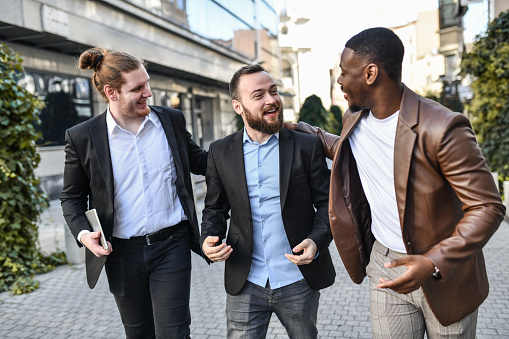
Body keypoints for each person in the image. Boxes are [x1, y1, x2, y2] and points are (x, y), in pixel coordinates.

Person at [287, 27, 506, 338]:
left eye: (344, 72)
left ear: (370, 73)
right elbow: (346, 150)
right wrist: (295, 128)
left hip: (445, 271)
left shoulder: (443, 127)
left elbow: (487, 207)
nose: (339, 81)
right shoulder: (355, 118)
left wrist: (433, 262)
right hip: (384, 261)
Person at [60, 47, 207, 338]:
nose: (148, 93)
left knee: (175, 332)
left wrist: (246, 142)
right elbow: (71, 197)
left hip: (172, 245)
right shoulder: (82, 137)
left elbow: (200, 161)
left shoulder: (170, 120)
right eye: (138, 88)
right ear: (111, 92)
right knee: (138, 333)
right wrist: (82, 233)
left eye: (147, 83)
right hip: (121, 253)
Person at [200, 64, 336, 339]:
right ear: (238, 107)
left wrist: (316, 240)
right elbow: (215, 208)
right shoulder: (219, 152)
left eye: (273, 91)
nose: (272, 100)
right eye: (259, 95)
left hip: (298, 278)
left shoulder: (305, 146)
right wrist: (208, 239)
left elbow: (327, 204)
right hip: (245, 279)